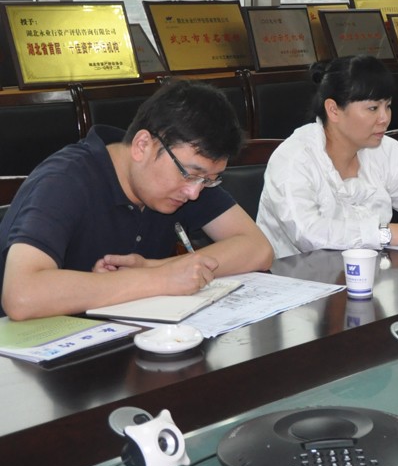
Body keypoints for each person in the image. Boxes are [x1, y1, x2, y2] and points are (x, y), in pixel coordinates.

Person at [0, 80, 274, 321]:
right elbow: (22, 295)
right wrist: (159, 279)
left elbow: (257, 248)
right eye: (191, 175)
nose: (194, 193)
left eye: (209, 180)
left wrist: (158, 267)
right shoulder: (65, 180)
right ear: (143, 145)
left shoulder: (189, 178)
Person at [257, 55, 398, 259]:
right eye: (373, 108)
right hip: (298, 281)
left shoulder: (384, 150)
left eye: (388, 106)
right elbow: (307, 233)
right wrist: (392, 233)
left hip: (366, 274)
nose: (384, 118)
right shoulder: (294, 159)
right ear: (333, 110)